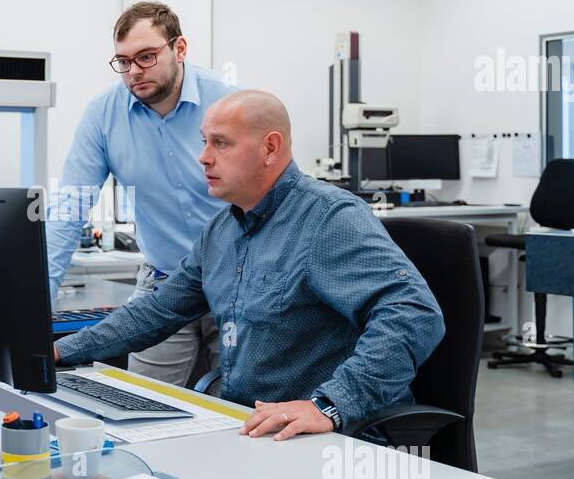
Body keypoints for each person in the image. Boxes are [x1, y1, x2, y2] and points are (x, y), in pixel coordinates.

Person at [53, 89, 445, 439]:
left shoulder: (328, 219)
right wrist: (62, 351)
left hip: (323, 438)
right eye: (205, 142)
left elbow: (414, 314)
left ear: (270, 148)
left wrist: (330, 405)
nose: (203, 158)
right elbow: (158, 310)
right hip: (249, 427)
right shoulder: (222, 230)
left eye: (220, 144)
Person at [46, 0, 236, 387]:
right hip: (165, 284)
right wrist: (36, 302)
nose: (133, 72)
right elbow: (70, 207)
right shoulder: (103, 114)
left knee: (243, 404)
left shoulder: (228, 103)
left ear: (179, 49)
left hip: (236, 283)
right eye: (123, 61)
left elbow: (278, 198)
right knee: (141, 400)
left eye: (146, 57)